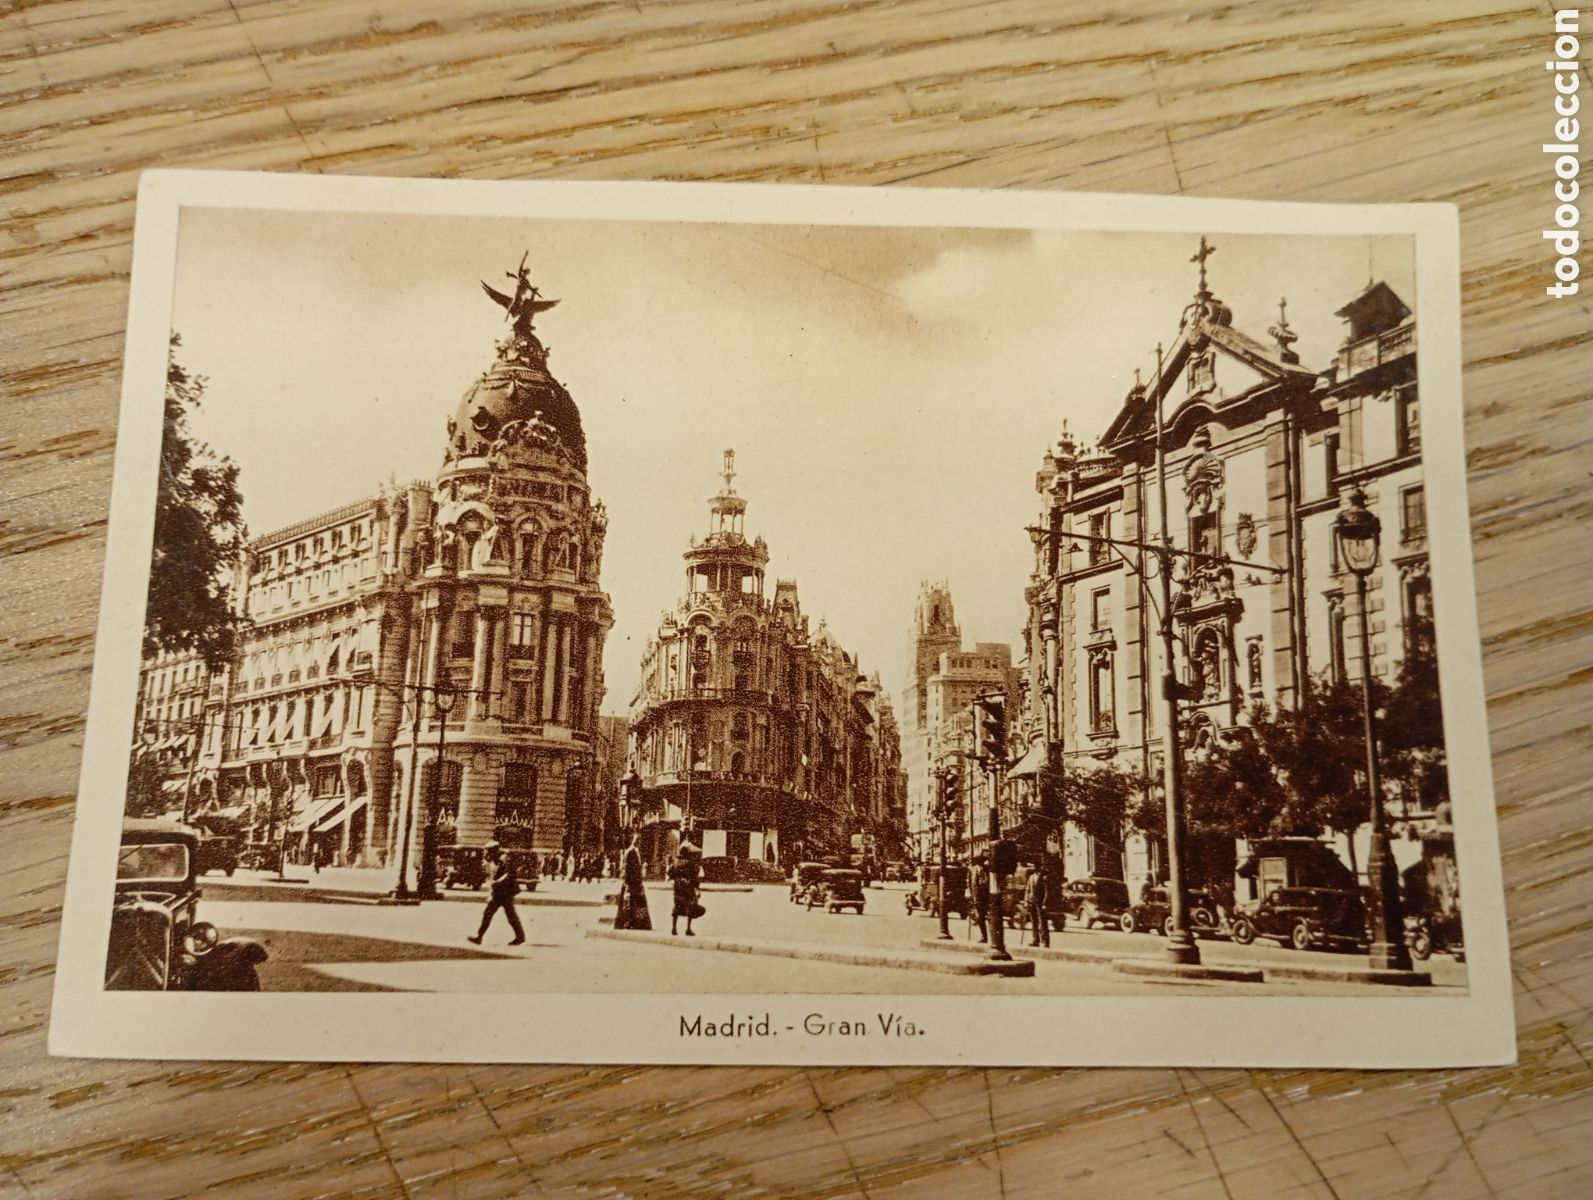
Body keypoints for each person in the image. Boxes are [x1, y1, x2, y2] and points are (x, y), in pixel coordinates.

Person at [468, 842, 525, 946]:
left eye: (489, 851)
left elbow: (510, 873)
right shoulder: (494, 860)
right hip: (499, 892)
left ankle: (480, 937)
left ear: (495, 851)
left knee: (501, 914)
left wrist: (499, 881)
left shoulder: (504, 859)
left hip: (505, 892)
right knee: (496, 914)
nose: (487, 854)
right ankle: (480, 936)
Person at [614, 829, 652, 931]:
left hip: (637, 881)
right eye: (637, 839)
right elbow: (626, 868)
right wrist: (627, 882)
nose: (639, 841)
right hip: (631, 882)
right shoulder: (630, 851)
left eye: (640, 840)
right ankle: (628, 922)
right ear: (633, 840)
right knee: (629, 903)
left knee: (637, 903)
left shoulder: (636, 851)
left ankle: (637, 923)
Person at [671, 845, 703, 937]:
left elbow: (670, 873)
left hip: (678, 888)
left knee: (677, 907)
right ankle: (688, 929)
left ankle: (674, 928)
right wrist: (697, 888)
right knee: (690, 908)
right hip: (688, 889)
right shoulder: (690, 863)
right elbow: (694, 877)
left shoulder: (675, 862)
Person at [1025, 861, 1051, 948]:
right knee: (1034, 922)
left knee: (1042, 923)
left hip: (1040, 902)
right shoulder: (1031, 877)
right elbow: (1028, 890)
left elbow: (1047, 892)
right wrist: (1026, 901)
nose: (1034, 868)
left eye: (1035, 866)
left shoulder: (1044, 877)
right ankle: (1035, 940)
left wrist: (1045, 903)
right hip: (1031, 902)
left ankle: (1045, 941)